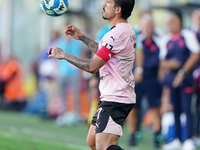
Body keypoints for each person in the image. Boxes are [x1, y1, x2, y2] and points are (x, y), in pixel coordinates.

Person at [47, 0, 136, 149]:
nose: (104, 4)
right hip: (115, 95)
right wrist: (82, 37)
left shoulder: (116, 34)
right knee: (92, 142)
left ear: (117, 10)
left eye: (109, 2)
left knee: (103, 147)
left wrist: (64, 55)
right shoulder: (125, 30)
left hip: (116, 97)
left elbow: (92, 66)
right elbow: (104, 52)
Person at [160, 12, 200, 150]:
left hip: (186, 79)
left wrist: (182, 72)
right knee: (175, 108)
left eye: (173, 22)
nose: (170, 25)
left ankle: (189, 139)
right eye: (168, 23)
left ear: (179, 23)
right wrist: (169, 64)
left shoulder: (187, 36)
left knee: (187, 108)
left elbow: (195, 55)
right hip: (171, 81)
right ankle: (177, 139)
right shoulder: (166, 39)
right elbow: (162, 61)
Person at [126, 14, 162, 148]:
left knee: (155, 108)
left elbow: (162, 60)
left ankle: (157, 136)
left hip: (152, 78)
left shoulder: (159, 40)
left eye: (149, 26)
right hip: (138, 78)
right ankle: (133, 135)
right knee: (134, 109)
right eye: (145, 26)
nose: (147, 28)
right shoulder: (136, 40)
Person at [190, 9, 200, 146]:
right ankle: (190, 135)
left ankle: (196, 133)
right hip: (188, 75)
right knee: (189, 106)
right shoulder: (187, 33)